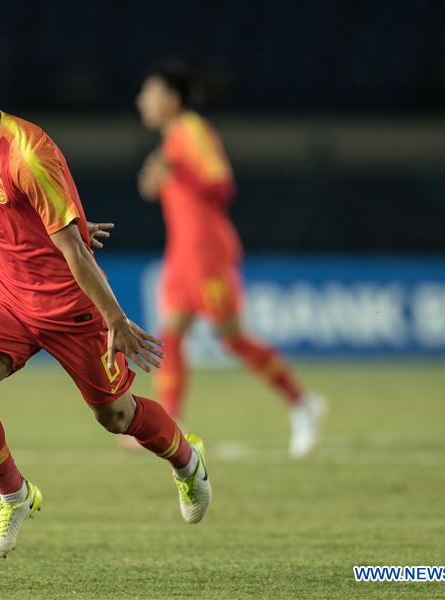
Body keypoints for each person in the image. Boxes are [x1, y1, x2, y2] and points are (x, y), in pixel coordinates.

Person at [0, 37, 211, 562]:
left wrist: (114, 319)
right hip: (9, 299)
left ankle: (188, 462)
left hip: (72, 309)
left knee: (116, 417)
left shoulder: (29, 153)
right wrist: (60, 221)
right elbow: (16, 221)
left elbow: (75, 255)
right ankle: (15, 495)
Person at [135, 63, 326, 458]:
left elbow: (221, 184)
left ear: (172, 99)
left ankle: (302, 404)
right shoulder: (173, 139)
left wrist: (176, 172)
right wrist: (159, 176)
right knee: (169, 336)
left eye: (149, 93)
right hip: (184, 253)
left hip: (208, 253)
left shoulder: (191, 130)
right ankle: (172, 423)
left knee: (232, 337)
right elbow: (164, 186)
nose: (142, 101)